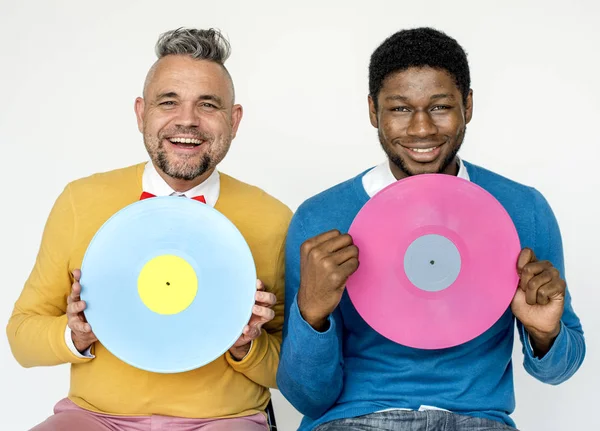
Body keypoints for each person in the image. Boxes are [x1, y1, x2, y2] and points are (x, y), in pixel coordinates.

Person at [276, 27, 585, 431]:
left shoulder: (522, 209)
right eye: (400, 109)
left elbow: (560, 370)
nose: (422, 129)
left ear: (468, 105)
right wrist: (312, 313)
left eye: (440, 107)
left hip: (477, 420)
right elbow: (306, 396)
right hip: (355, 420)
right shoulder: (321, 217)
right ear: (373, 111)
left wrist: (544, 332)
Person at [7, 27, 291, 431]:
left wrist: (248, 346)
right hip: (93, 418)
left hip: (224, 420)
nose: (187, 121)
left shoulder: (274, 219)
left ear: (234, 119)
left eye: (208, 105)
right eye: (168, 102)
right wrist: (76, 334)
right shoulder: (80, 200)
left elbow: (294, 372)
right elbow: (21, 337)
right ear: (142, 113)